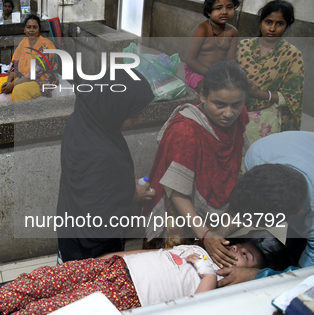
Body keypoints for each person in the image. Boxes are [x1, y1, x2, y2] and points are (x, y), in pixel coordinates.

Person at [0, 238, 273, 315]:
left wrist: (207, 271)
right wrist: (114, 255)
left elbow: (197, 305)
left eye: (248, 258)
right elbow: (158, 253)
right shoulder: (200, 248)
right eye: (242, 248)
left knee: (49, 311)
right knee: (41, 280)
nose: (240, 254)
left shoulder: (212, 275)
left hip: (130, 294)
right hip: (115, 267)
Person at [142, 60, 250, 251]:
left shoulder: (238, 117)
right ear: (202, 95)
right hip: (179, 212)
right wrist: (206, 235)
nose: (229, 113)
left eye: (237, 104)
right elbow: (177, 195)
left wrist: (215, 235)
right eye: (220, 104)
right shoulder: (186, 131)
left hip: (210, 215)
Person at [57, 69, 156, 262]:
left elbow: (92, 188)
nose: (138, 121)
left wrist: (124, 182)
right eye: (134, 115)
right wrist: (134, 194)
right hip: (90, 253)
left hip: (70, 232)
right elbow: (98, 220)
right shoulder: (99, 154)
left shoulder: (84, 120)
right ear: (114, 108)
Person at [212, 131, 313, 286]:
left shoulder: (308, 217)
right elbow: (246, 206)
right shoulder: (258, 154)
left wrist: (259, 276)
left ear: (295, 214)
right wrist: (217, 234)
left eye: (246, 255)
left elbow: (300, 279)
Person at [236, 0, 303, 143]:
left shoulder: (291, 54)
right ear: (261, 22)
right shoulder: (243, 47)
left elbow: (292, 97)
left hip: (264, 120)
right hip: (234, 113)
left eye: (279, 24)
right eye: (268, 22)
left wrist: (259, 94)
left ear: (287, 26)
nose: (272, 28)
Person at [0, 15, 57, 107]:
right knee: (0, 81)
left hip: (42, 81)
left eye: (35, 27)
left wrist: (13, 85)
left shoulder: (45, 45)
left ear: (39, 29)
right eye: (28, 27)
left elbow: (35, 73)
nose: (31, 30)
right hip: (24, 77)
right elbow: (15, 68)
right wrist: (8, 82)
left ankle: (25, 120)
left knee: (19, 89)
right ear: (24, 29)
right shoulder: (23, 43)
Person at [185, 0, 239, 93]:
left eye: (229, 7)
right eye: (218, 8)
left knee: (235, 90)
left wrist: (233, 75)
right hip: (197, 72)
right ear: (209, 11)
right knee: (209, 90)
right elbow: (190, 59)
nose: (224, 12)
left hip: (219, 73)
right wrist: (210, 73)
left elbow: (231, 59)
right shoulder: (202, 30)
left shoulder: (232, 32)